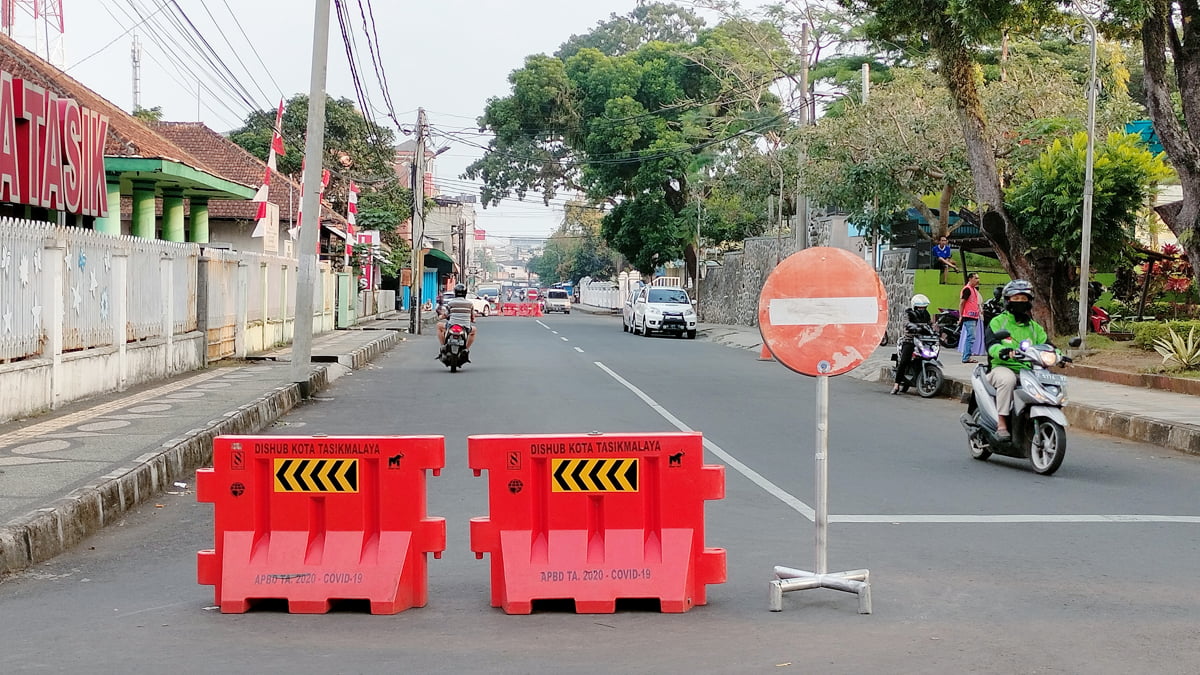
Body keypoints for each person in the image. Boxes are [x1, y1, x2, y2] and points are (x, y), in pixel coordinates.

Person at [985, 280, 1048, 440]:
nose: (1020, 302)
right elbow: (991, 345)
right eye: (1016, 298)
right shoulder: (998, 322)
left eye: (1023, 299)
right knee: (1008, 380)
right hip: (1001, 367)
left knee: (1048, 383)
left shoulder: (1035, 327)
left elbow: (1047, 345)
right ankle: (1002, 423)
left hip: (1029, 370)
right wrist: (1003, 351)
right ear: (1008, 300)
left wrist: (1059, 355)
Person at [892, 294, 934, 394]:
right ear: (914, 306)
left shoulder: (926, 314)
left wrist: (936, 330)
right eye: (920, 307)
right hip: (910, 340)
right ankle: (896, 384)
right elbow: (906, 323)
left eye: (924, 307)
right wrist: (914, 327)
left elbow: (931, 324)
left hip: (923, 341)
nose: (922, 309)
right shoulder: (909, 313)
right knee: (904, 361)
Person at [437, 283, 477, 358]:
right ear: (465, 293)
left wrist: (440, 317)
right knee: (474, 330)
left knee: (439, 325)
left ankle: (443, 345)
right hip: (465, 327)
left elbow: (446, 315)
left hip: (451, 325)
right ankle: (466, 349)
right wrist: (473, 319)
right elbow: (473, 317)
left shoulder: (451, 303)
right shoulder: (470, 304)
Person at [957, 272, 983, 363]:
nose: (978, 280)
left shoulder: (973, 290)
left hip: (974, 316)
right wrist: (960, 316)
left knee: (971, 337)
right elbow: (962, 303)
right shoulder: (967, 290)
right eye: (976, 278)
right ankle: (966, 357)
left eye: (978, 278)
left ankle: (967, 356)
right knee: (971, 337)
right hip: (969, 316)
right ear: (970, 279)